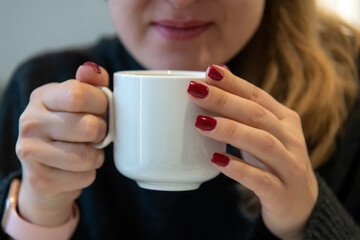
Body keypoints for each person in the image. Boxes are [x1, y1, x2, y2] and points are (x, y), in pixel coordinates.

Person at [0, 0, 360, 239]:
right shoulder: (46, 93)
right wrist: (39, 209)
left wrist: (306, 223)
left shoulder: (348, 94)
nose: (181, 1)